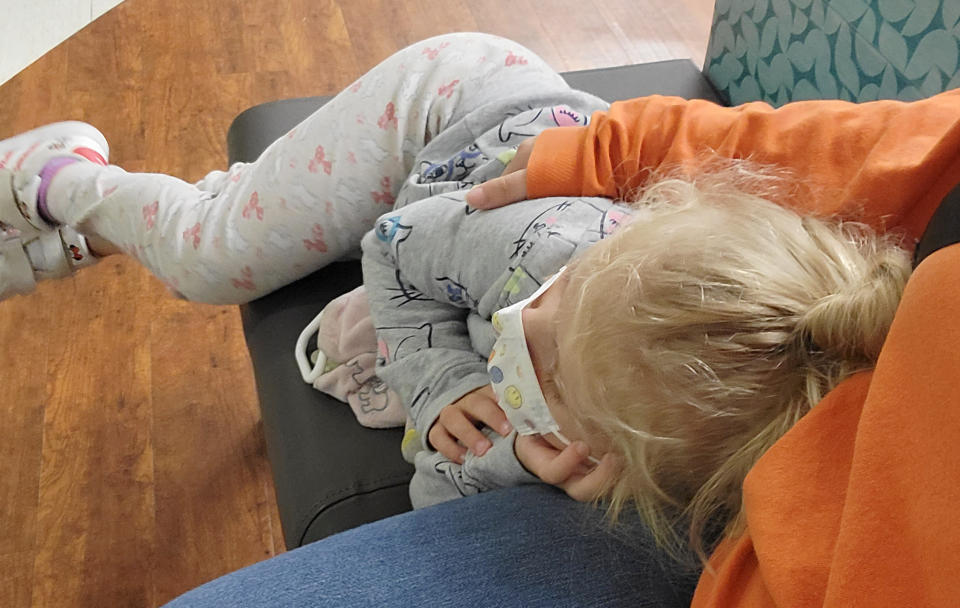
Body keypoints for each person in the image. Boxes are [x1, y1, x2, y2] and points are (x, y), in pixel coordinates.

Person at [3, 31, 959, 607]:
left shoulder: (689, 428)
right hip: (445, 113)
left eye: (537, 368)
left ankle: (165, 213)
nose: (519, 345)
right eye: (532, 327)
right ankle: (61, 182)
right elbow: (394, 251)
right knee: (215, 256)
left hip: (468, 214)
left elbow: (452, 486)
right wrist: (450, 381)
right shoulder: (539, 256)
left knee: (277, 222)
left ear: (605, 460)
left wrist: (500, 456)